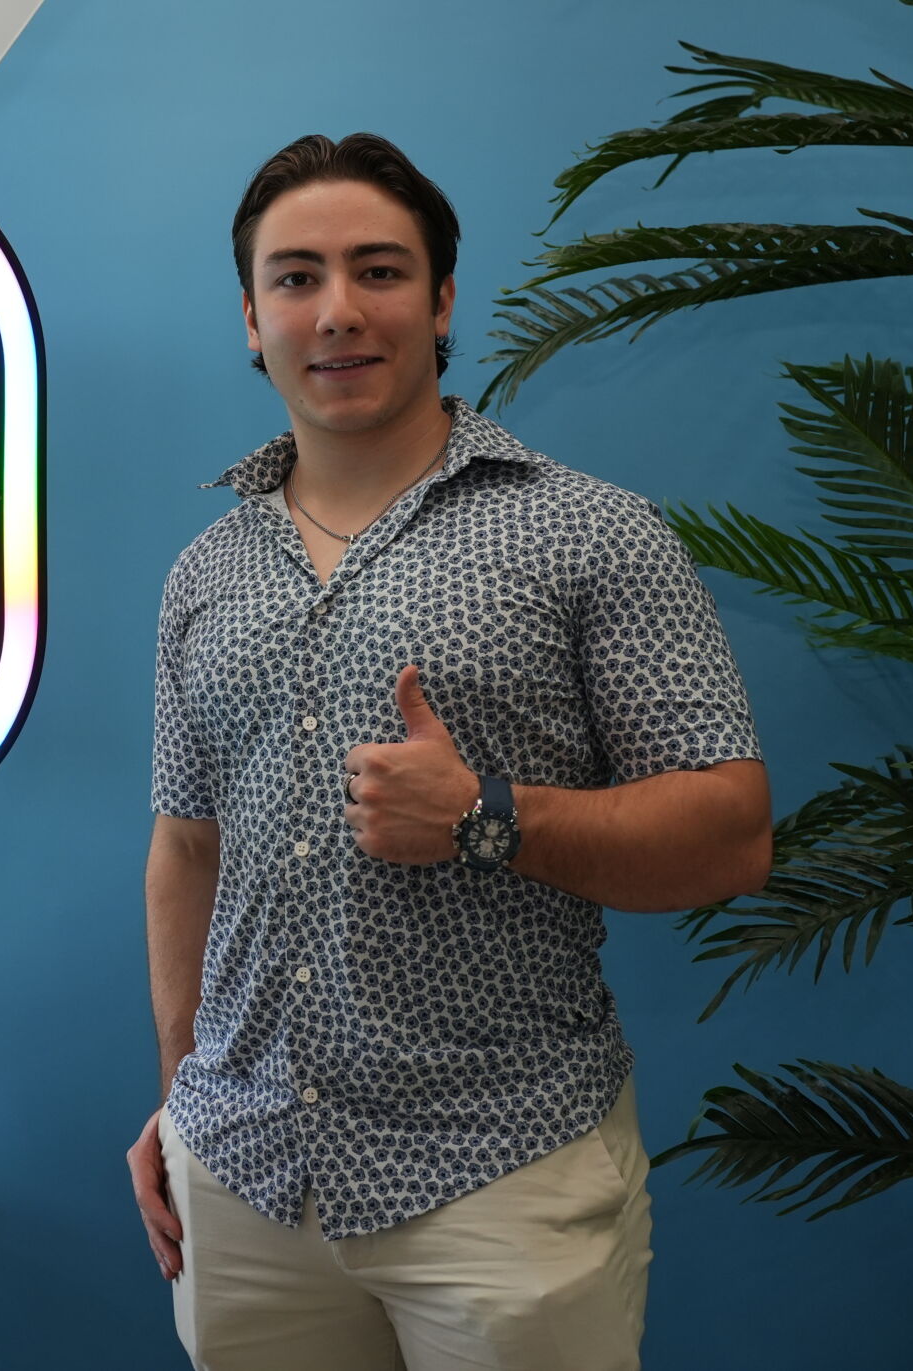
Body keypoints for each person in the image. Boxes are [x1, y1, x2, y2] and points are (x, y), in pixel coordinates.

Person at [128, 133, 772, 1371]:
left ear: (440, 302)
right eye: (296, 278)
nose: (338, 310)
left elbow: (732, 834)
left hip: (501, 1176)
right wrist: (179, 1091)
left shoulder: (590, 534)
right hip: (246, 1180)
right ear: (252, 319)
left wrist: (486, 816)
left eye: (378, 271)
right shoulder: (202, 574)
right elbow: (187, 846)